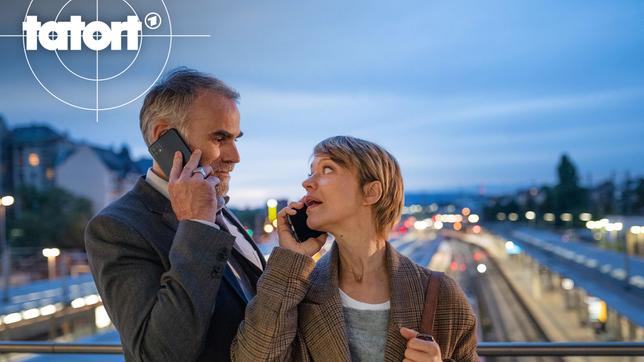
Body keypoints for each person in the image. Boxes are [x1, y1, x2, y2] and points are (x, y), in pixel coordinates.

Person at [231, 136, 478, 362]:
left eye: (327, 169)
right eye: (311, 172)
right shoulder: (295, 292)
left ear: (371, 192)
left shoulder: (442, 295)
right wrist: (291, 259)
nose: (307, 183)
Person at [85, 68, 265, 361]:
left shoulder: (220, 210)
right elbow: (158, 353)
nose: (235, 156)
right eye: (220, 138)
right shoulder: (115, 228)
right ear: (164, 137)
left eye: (236, 139)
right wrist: (196, 224)